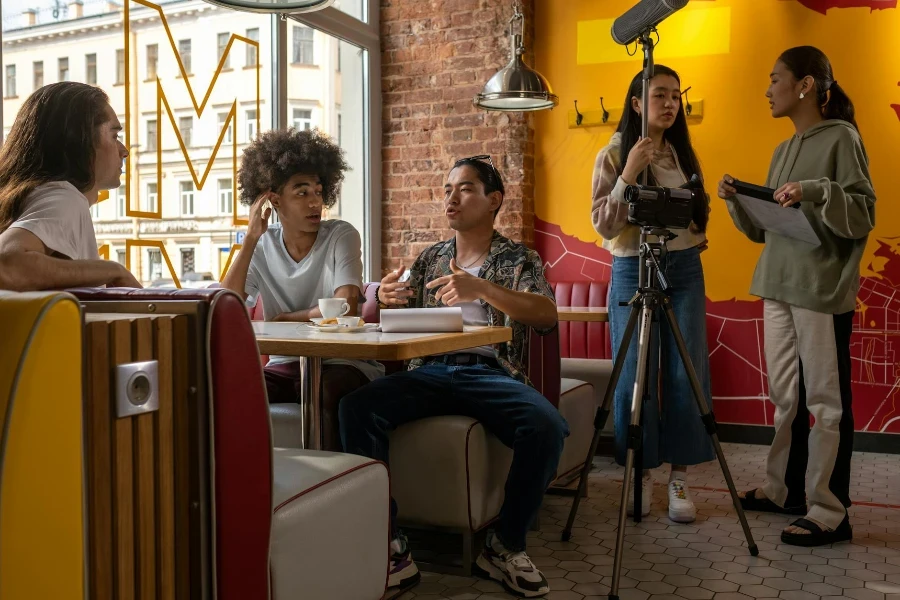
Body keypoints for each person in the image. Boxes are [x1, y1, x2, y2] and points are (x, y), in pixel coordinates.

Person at [339, 156, 567, 598]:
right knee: (356, 406)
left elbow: (545, 315)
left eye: (464, 188)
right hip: (430, 369)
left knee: (546, 426)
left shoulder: (519, 257)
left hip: (491, 371)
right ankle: (390, 544)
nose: (451, 197)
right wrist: (380, 295)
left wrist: (481, 288)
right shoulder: (431, 258)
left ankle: (504, 546)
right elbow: (396, 315)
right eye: (447, 189)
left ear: (493, 200)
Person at [719, 46, 874, 547]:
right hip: (777, 281)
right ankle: (782, 489)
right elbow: (766, 230)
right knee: (786, 396)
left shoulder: (842, 138)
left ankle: (830, 511)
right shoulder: (782, 150)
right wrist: (738, 202)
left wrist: (814, 189)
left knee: (826, 402)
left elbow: (862, 211)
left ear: (805, 85)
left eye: (774, 79)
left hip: (819, 286)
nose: (767, 90)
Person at [591, 65, 714, 523]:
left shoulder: (683, 154)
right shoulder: (612, 152)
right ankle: (639, 475)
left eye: (676, 96)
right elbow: (604, 223)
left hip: (683, 267)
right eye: (659, 95)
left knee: (686, 373)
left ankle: (678, 479)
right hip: (630, 265)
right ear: (637, 103)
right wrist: (629, 172)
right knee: (635, 377)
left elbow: (694, 214)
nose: (670, 103)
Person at [222, 128, 382, 451]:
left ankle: (330, 489)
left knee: (324, 392)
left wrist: (286, 318)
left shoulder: (341, 235)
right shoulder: (263, 246)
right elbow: (226, 304)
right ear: (273, 199)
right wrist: (251, 238)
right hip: (284, 365)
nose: (315, 202)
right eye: (302, 192)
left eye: (319, 192)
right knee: (226, 392)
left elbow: (346, 307)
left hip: (345, 363)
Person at [0, 82, 141, 291]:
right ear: (79, 140)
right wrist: (113, 271)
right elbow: (8, 265)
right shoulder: (63, 198)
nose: (124, 151)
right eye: (114, 136)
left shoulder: (28, 195)